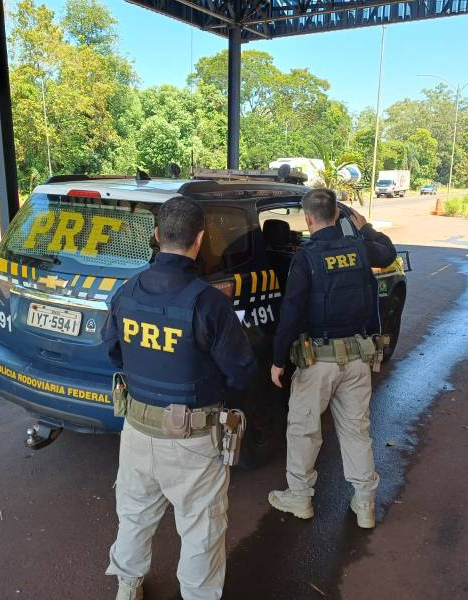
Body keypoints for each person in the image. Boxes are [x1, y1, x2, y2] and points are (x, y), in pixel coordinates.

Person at [103, 197, 258, 600]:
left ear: (157, 235)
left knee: (134, 515)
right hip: (193, 440)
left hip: (136, 430)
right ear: (200, 239)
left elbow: (113, 351)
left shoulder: (126, 292)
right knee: (201, 528)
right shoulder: (209, 303)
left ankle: (127, 586)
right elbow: (242, 371)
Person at [268, 188, 396, 528]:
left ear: (308, 219)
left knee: (304, 430)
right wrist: (366, 228)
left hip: (317, 362)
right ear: (338, 216)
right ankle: (365, 503)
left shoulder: (306, 258)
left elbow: (291, 313)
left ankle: (300, 497)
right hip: (357, 359)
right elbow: (388, 253)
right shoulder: (359, 248)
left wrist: (278, 360)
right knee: (356, 431)